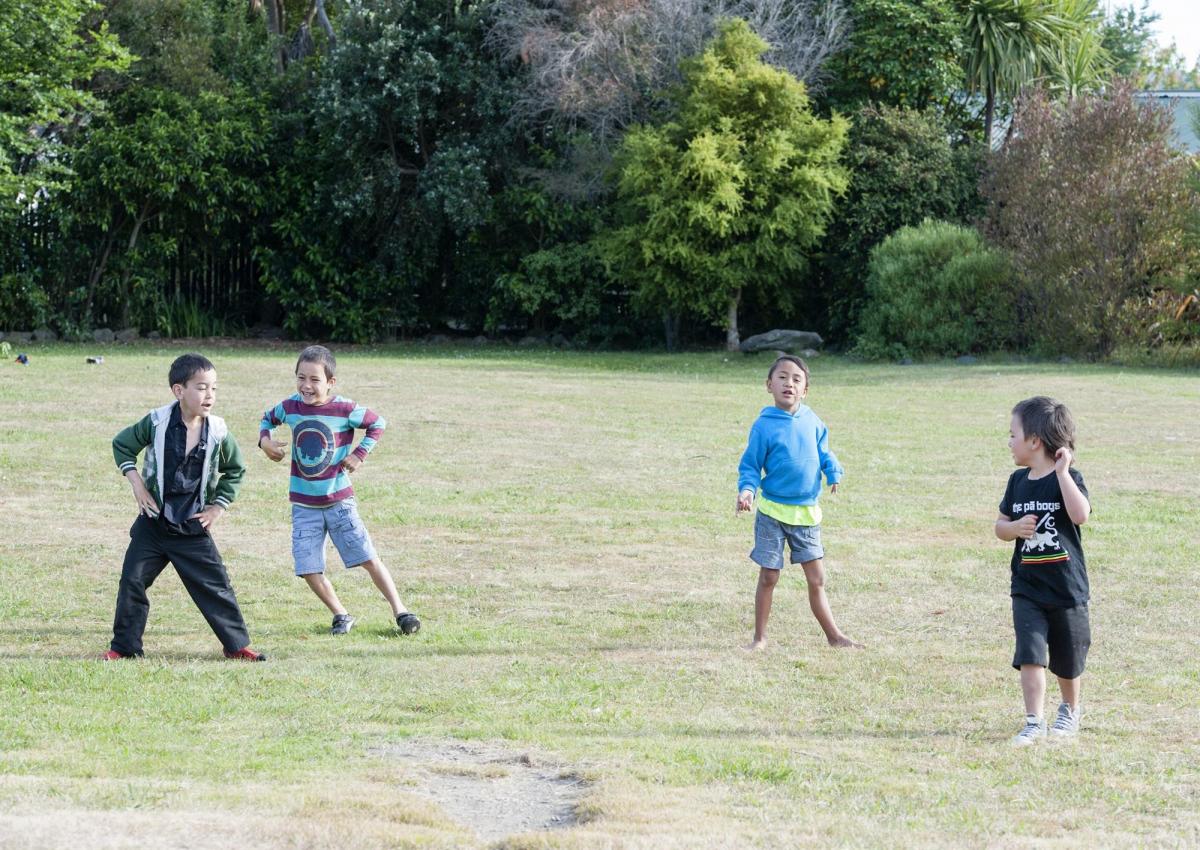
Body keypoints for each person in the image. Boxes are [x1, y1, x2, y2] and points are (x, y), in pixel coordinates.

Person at [106, 353, 265, 661]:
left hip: (192, 525)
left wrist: (217, 507)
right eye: (202, 387)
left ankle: (236, 646)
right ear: (179, 391)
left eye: (214, 388)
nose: (210, 395)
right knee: (132, 580)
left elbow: (236, 470)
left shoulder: (218, 431)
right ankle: (124, 648)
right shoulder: (156, 422)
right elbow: (121, 445)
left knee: (216, 585)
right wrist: (137, 485)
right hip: (153, 523)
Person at [259, 345, 420, 636]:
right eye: (301, 378)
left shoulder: (344, 408)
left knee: (367, 557)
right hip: (304, 504)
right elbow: (267, 419)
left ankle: (401, 610)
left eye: (315, 379)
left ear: (330, 382)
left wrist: (360, 454)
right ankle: (341, 614)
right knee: (307, 567)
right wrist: (265, 441)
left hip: (338, 501)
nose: (306, 385)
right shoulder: (291, 407)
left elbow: (377, 424)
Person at [736, 355, 861, 651]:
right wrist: (747, 491)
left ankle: (835, 637)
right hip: (772, 513)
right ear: (769, 385)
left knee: (817, 578)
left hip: (806, 513)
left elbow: (825, 452)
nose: (788, 383)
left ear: (805, 390)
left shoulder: (813, 421)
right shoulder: (763, 425)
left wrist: (833, 472)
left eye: (796, 379)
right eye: (781, 377)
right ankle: (760, 638)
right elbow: (751, 465)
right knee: (769, 576)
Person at [995, 396, 1091, 745]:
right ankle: (1034, 720)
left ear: (1034, 441)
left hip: (1067, 590)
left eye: (1012, 434)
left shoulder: (1069, 478)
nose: (1009, 442)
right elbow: (1000, 527)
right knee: (1031, 654)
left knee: (1068, 657)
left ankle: (1069, 710)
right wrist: (1015, 527)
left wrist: (1063, 473)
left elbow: (1080, 515)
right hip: (1028, 588)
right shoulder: (1017, 482)